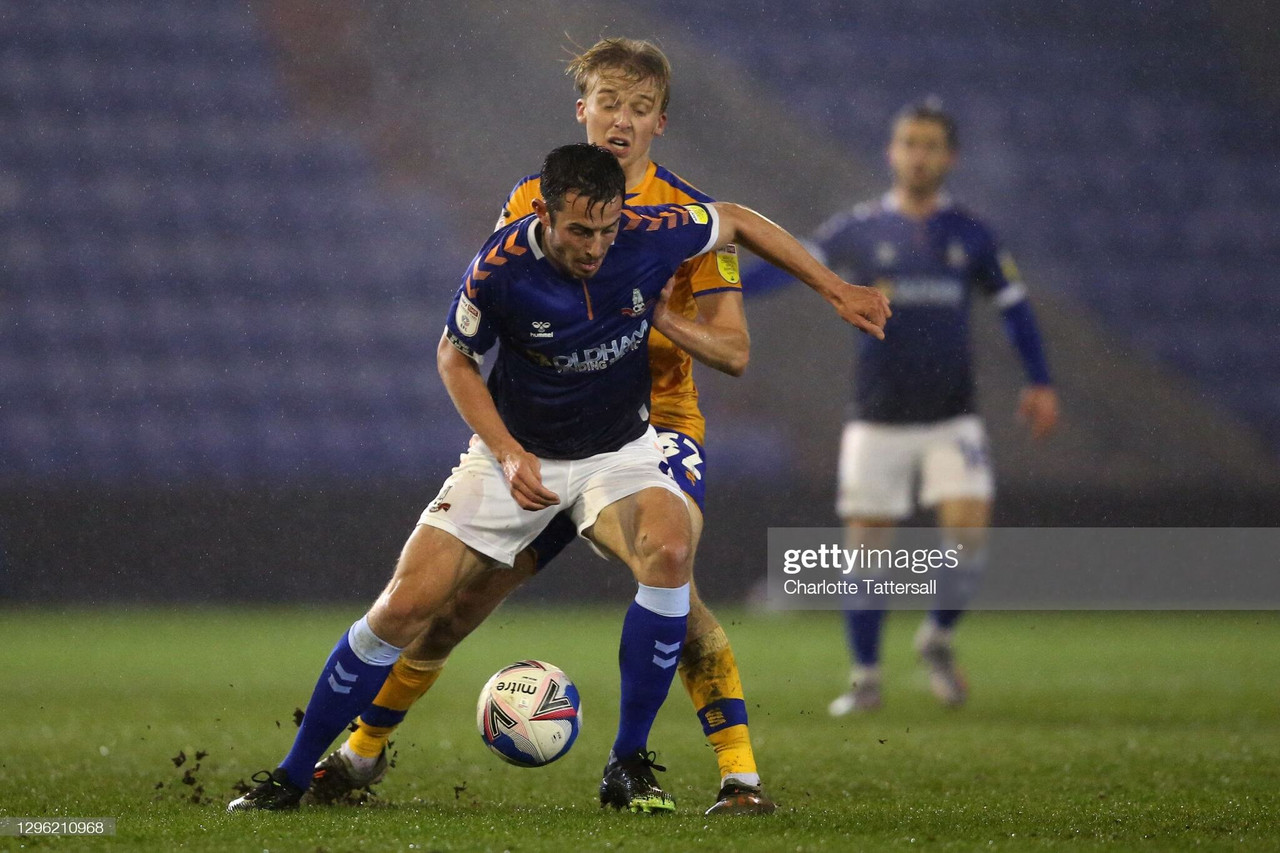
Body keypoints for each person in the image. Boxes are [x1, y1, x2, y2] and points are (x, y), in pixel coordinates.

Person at [228, 142, 890, 813]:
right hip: (518, 454)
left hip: (618, 453)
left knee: (668, 552)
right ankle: (291, 775)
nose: (597, 247)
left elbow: (738, 221)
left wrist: (835, 288)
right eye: (580, 231)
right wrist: (508, 452)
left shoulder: (649, 234)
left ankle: (627, 761)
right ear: (545, 213)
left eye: (607, 229)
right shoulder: (501, 266)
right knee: (405, 605)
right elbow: (455, 360)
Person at [309, 37, 823, 816]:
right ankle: (360, 754)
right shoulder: (533, 203)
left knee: (673, 576)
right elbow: (489, 318)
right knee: (455, 608)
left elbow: (735, 352)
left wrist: (652, 313)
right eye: (609, 104)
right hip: (547, 434)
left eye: (639, 109)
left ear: (660, 124)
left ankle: (737, 777)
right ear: (582, 112)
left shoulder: (686, 221)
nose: (621, 121)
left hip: (650, 429)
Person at [752, 100, 1058, 714]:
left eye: (930, 145)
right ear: (892, 152)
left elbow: (1015, 306)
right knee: (867, 550)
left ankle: (937, 638)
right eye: (909, 143)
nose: (918, 155)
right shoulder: (858, 229)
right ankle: (865, 680)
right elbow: (792, 267)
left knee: (968, 536)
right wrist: (721, 288)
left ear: (950, 157)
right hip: (878, 414)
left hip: (952, 414)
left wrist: (1040, 380)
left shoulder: (972, 233)